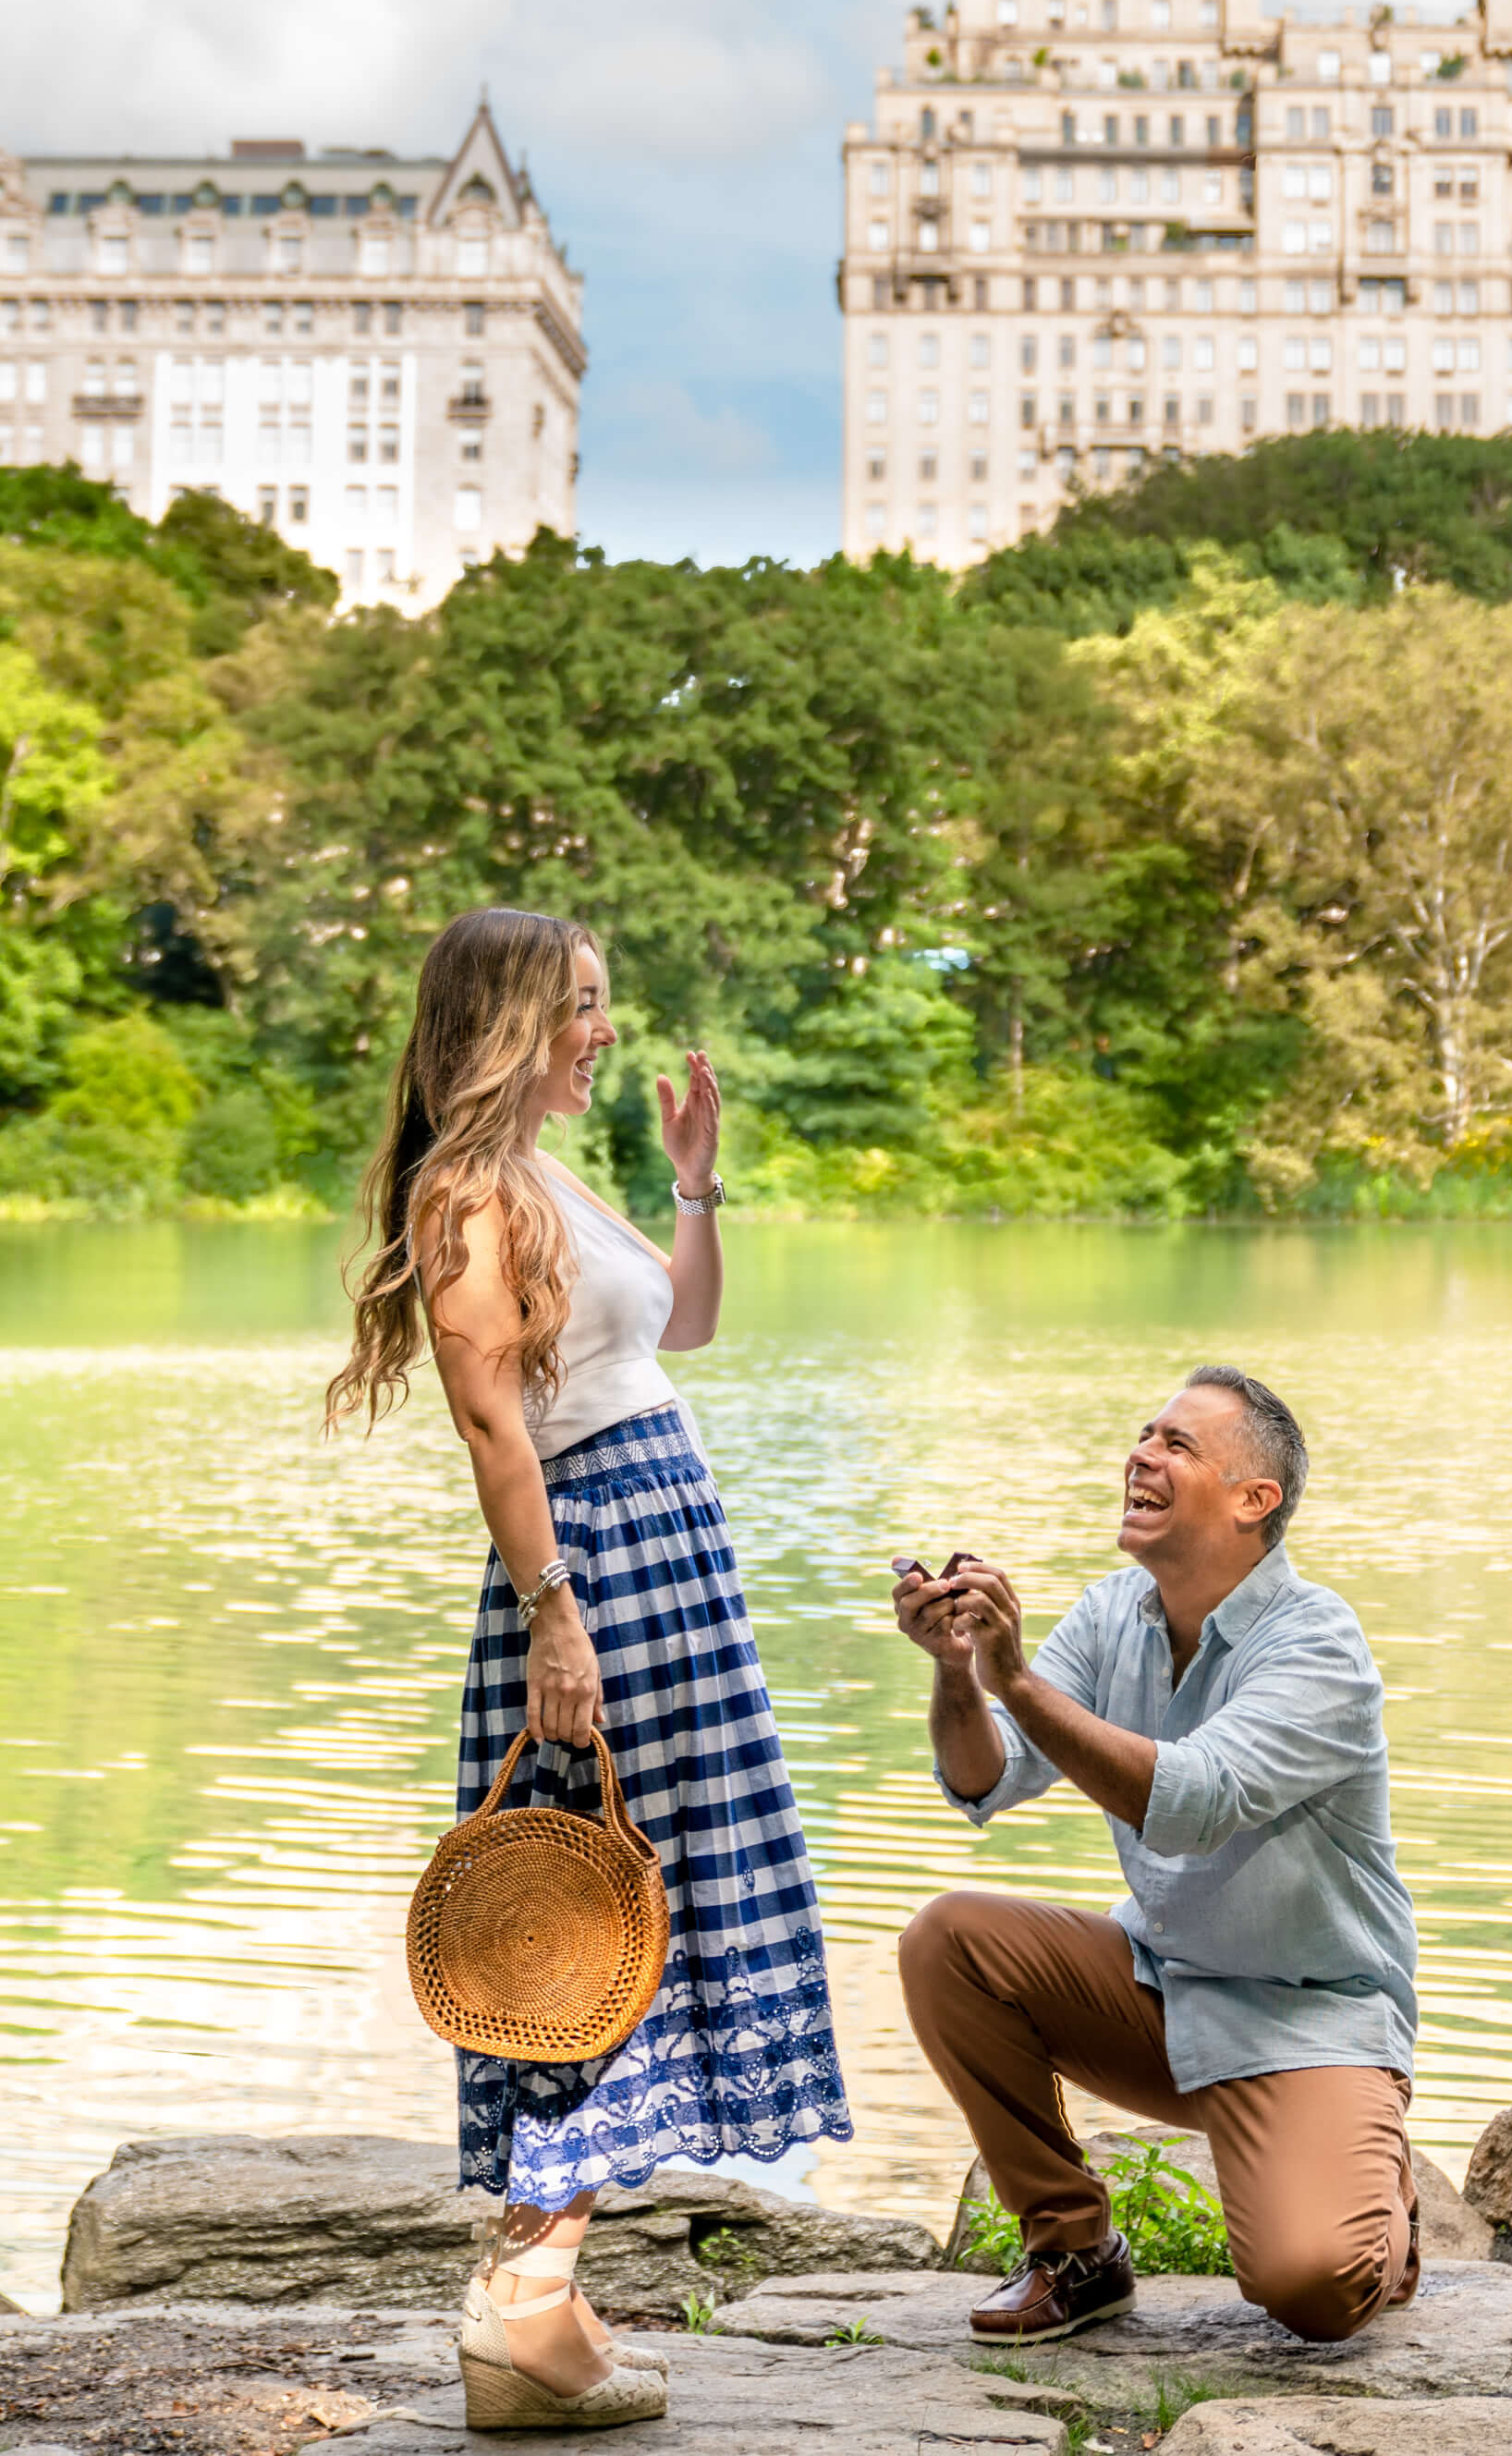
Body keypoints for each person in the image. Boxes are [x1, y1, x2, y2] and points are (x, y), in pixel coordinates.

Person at [327, 908, 849, 2430]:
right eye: (584, 1007)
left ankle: (543, 2298)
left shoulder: (542, 1174)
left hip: (660, 1563)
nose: (607, 1032)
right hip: (599, 1568)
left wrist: (694, 1181)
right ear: (508, 1018)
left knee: (640, 1908)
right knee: (577, 1923)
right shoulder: (469, 1196)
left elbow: (679, 1324)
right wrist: (559, 1609)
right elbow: (494, 1424)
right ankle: (525, 2303)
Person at [894, 1365, 1419, 2352]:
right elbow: (988, 1777)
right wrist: (962, 1676)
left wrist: (1013, 1670)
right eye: (1144, 1435)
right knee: (947, 1941)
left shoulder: (1318, 1645)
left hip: (1308, 2016)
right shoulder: (1111, 1611)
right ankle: (1074, 2254)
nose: (1140, 1454)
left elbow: (1192, 1801)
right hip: (1161, 1986)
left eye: (1176, 1444)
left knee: (1315, 2291)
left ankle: (1380, 2193)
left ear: (1252, 1499)